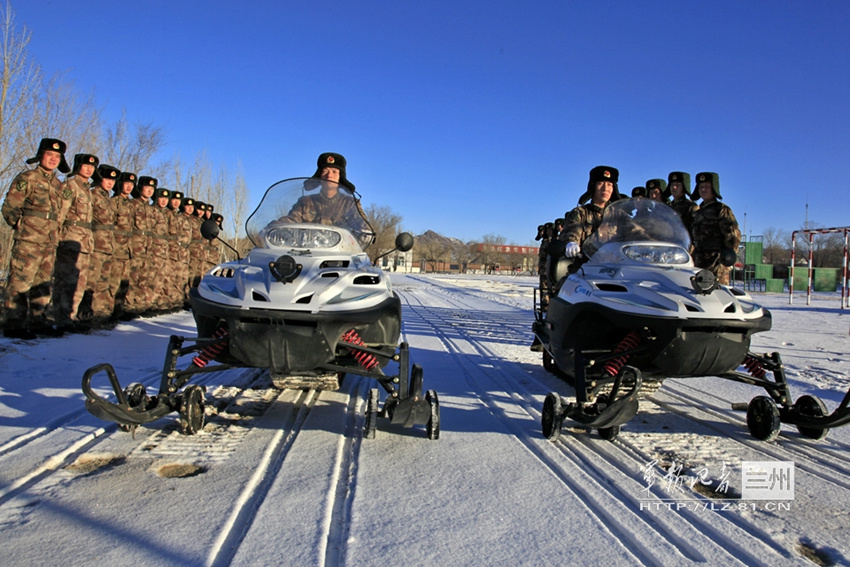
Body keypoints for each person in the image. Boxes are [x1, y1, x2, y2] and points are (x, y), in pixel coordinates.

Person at [1, 138, 71, 339]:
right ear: (41, 155)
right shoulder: (28, 178)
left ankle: (38, 320)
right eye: (49, 155)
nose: (53, 159)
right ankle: (14, 323)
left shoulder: (58, 185)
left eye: (57, 156)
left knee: (42, 283)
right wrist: (20, 226)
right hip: (29, 241)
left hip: (49, 241)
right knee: (20, 281)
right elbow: (10, 206)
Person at [53, 153, 97, 333]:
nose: (89, 169)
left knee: (80, 281)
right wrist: (57, 236)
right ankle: (61, 318)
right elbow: (60, 213)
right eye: (85, 165)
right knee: (66, 281)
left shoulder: (87, 189)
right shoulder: (70, 185)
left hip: (84, 241)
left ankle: (70, 316)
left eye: (92, 167)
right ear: (78, 165)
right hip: (70, 239)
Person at [281, 152, 368, 235]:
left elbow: (362, 225)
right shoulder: (305, 202)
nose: (329, 175)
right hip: (308, 249)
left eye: (334, 172)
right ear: (320, 176)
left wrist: (365, 232)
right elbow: (290, 220)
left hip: (341, 250)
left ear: (340, 178)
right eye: (325, 171)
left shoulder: (350, 204)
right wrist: (275, 226)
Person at [690, 172, 741, 285]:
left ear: (714, 188)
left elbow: (732, 234)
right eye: (701, 187)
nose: (703, 189)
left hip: (716, 262)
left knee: (718, 295)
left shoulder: (721, 209)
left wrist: (729, 254)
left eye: (707, 186)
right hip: (699, 261)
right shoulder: (698, 212)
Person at [558, 165, 620, 257]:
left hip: (614, 265)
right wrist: (571, 242)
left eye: (609, 184)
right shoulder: (580, 213)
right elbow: (572, 230)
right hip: (585, 266)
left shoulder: (619, 214)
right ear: (593, 186)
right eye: (600, 183)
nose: (605, 188)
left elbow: (634, 230)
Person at [86, 164, 120, 327]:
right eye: (107, 178)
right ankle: (84, 314)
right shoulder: (93, 195)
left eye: (113, 180)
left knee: (103, 282)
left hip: (108, 246)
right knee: (90, 281)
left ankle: (98, 314)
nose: (110, 182)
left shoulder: (108, 199)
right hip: (95, 244)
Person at [664, 171, 699, 236]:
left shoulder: (691, 207)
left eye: (678, 185)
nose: (674, 187)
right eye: (672, 184)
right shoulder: (667, 207)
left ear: (684, 186)